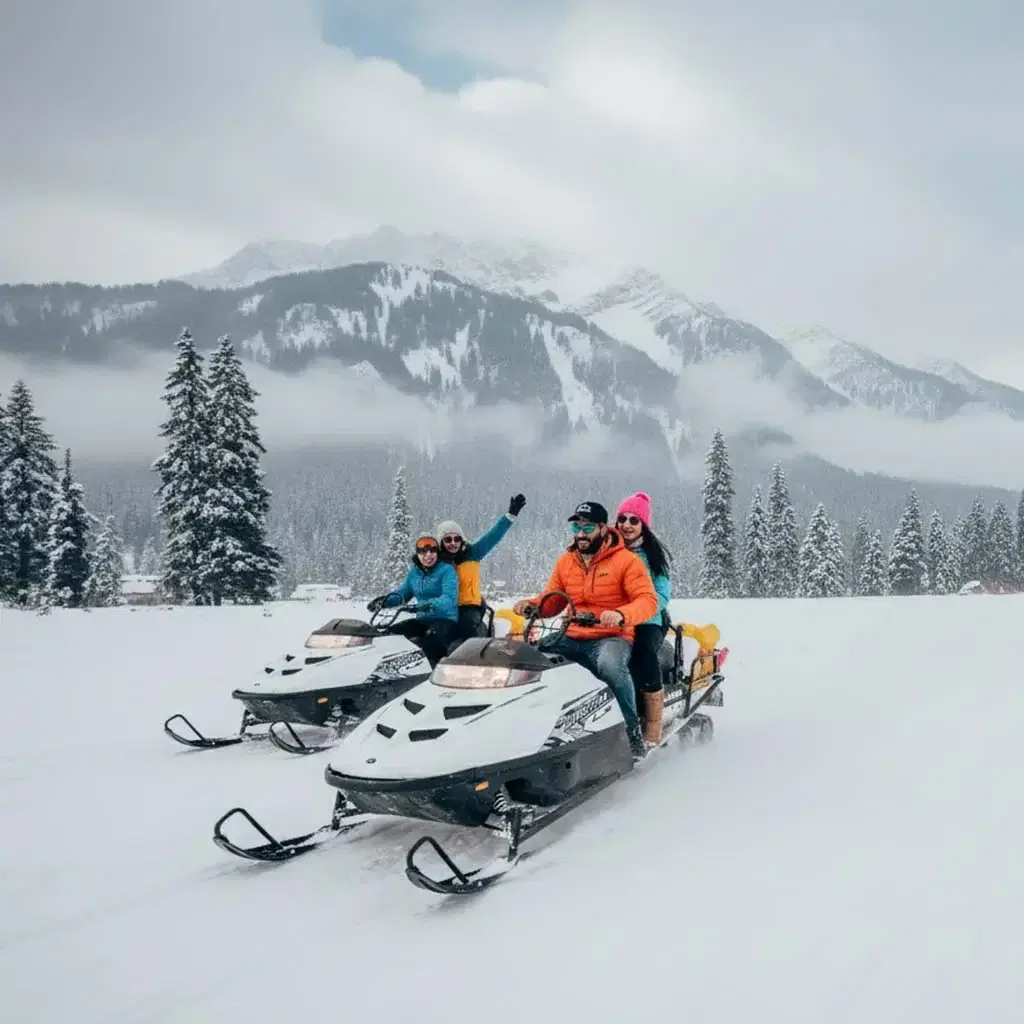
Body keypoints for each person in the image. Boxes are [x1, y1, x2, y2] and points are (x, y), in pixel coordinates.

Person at [513, 500, 658, 757]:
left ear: (603, 528)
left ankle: (631, 733)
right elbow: (554, 599)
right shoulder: (567, 561)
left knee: (611, 667)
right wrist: (532, 606)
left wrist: (621, 614)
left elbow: (647, 600)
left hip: (610, 637)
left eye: (587, 527)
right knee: (528, 659)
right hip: (571, 635)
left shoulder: (626, 561)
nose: (580, 534)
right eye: (576, 527)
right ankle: (530, 729)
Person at [614, 492, 673, 744]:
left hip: (649, 620)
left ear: (643, 526)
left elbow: (661, 595)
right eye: (622, 518)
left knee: (641, 655)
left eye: (634, 520)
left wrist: (636, 611)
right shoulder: (607, 549)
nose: (626, 525)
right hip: (613, 619)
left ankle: (651, 723)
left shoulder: (653, 558)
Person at [436, 493, 526, 639]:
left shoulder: (473, 553)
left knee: (468, 628)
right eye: (448, 539)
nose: (453, 543)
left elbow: (493, 536)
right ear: (441, 542)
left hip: (470, 607)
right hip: (446, 608)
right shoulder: (437, 562)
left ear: (462, 539)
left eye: (457, 538)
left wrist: (510, 516)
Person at [367, 534, 460, 667]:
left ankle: (434, 672)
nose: (428, 555)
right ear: (418, 554)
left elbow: (449, 598)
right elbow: (402, 594)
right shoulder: (414, 573)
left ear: (437, 553)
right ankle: (382, 666)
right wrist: (384, 601)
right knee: (392, 633)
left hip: (445, 619)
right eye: (423, 551)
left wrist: (424, 605)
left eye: (432, 551)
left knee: (431, 640)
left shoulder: (447, 571)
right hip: (422, 620)